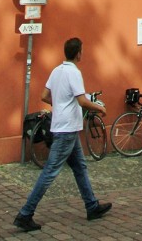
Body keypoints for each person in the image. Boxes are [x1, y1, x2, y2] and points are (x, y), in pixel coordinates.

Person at [13, 37, 112, 232]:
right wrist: (100, 109)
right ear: (78, 54)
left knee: (80, 167)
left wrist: (58, 105)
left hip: (66, 127)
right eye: (82, 51)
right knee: (49, 172)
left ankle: (92, 206)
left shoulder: (57, 71)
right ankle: (25, 214)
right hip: (67, 129)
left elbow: (44, 96)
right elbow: (82, 101)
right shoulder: (74, 73)